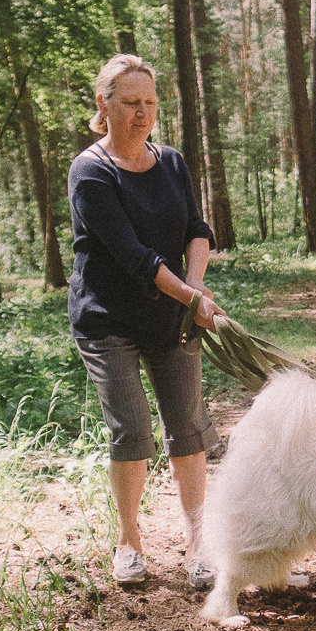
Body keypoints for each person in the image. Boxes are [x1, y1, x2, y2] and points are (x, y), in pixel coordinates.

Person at [68, 54, 224, 590]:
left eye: (149, 103)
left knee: (189, 426)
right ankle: (129, 541)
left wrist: (195, 289)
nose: (142, 114)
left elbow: (197, 230)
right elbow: (135, 256)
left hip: (171, 317)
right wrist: (190, 296)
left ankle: (200, 544)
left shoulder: (172, 161)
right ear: (103, 104)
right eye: (130, 103)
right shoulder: (91, 171)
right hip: (107, 319)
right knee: (132, 429)